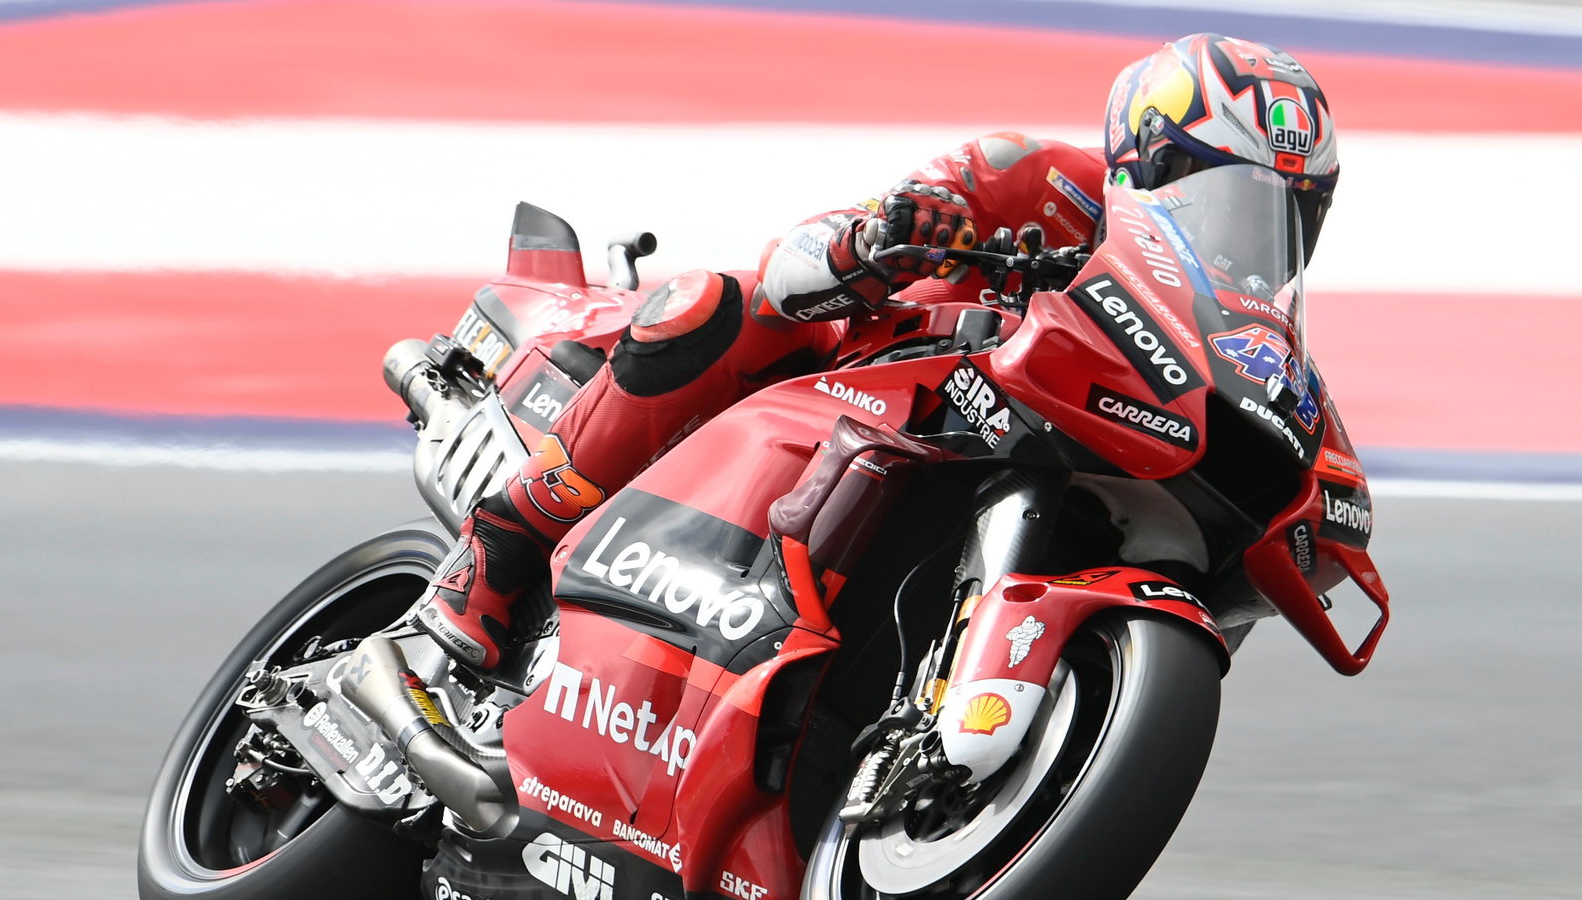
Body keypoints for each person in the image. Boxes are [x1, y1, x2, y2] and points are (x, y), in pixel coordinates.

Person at [411, 32, 1341, 670]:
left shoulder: (1236, 329)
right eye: (1225, 197)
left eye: (1285, 214)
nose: (1248, 233)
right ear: (1149, 161)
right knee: (718, 305)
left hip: (1008, 455)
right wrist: (881, 238)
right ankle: (498, 546)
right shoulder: (1036, 176)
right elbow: (805, 257)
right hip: (873, 379)